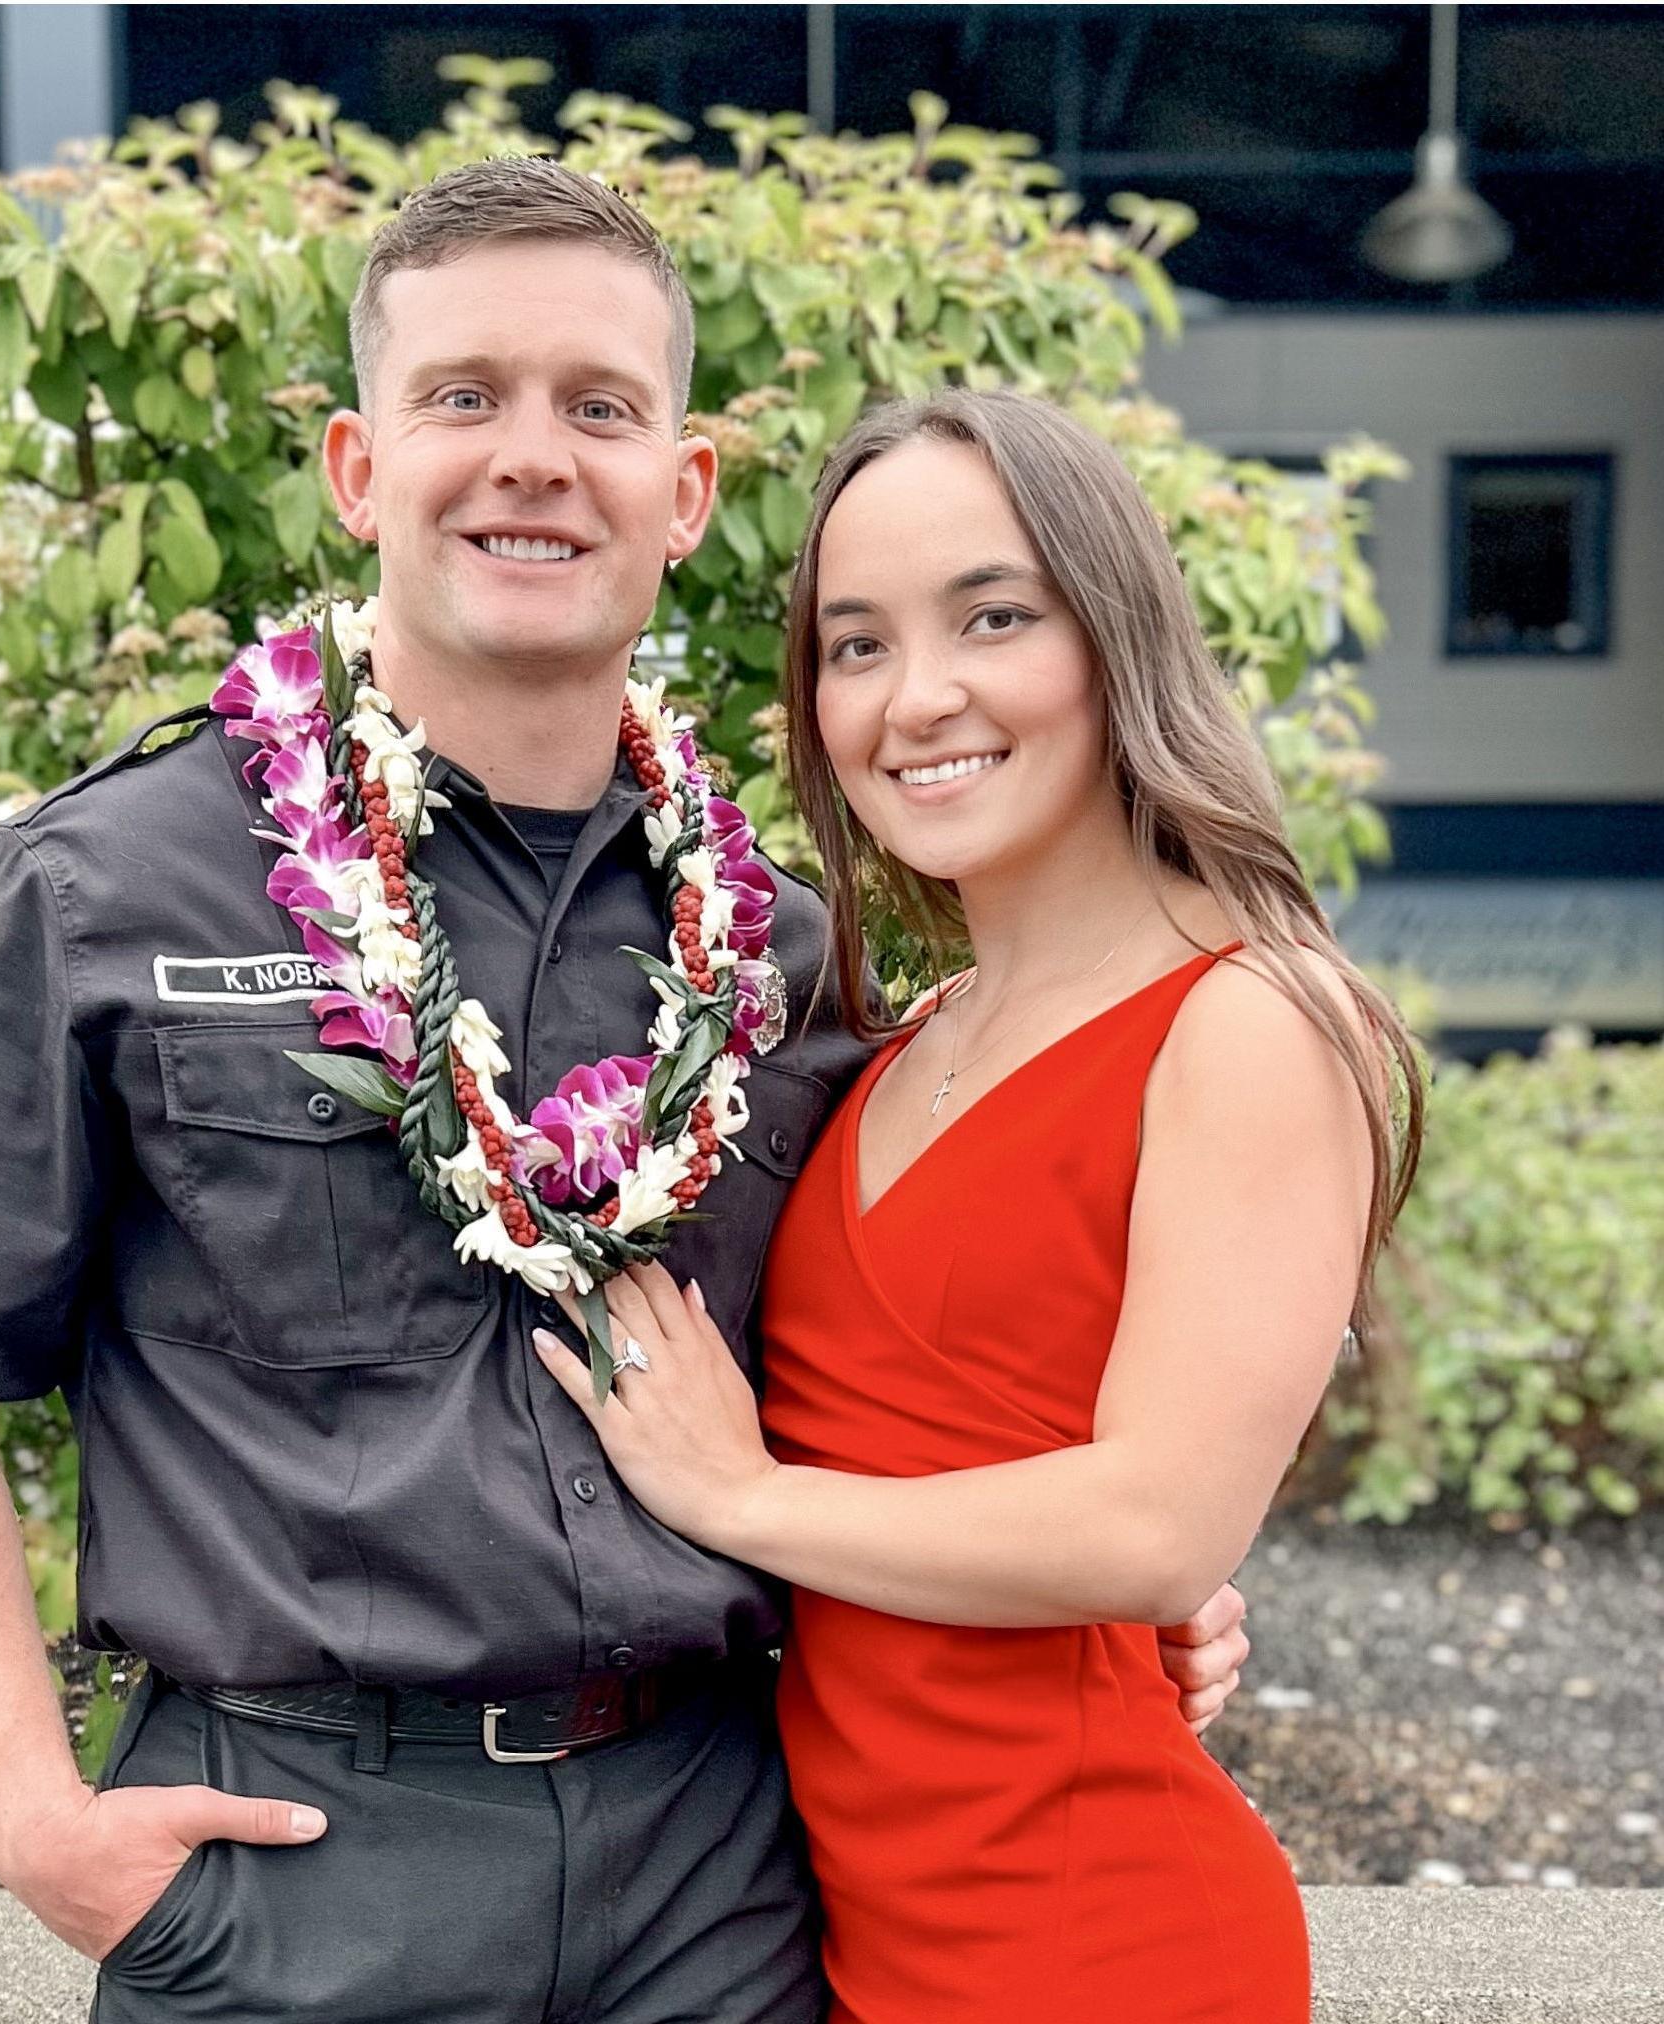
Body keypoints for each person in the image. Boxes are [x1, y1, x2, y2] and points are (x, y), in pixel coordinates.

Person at [0, 164, 1250, 2024]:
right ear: (355, 465)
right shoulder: (102, 893)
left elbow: (897, 1365)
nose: (533, 459)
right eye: (463, 396)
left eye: (601, 408)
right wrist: (28, 1813)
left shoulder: (791, 953)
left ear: (685, 492)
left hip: (734, 1870)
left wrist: (1127, 1583)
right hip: (300, 1867)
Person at [534, 387, 1425, 2022]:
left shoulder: (1250, 1020)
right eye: (855, 645)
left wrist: (742, 1499)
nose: (914, 697)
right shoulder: (899, 1043)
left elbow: (1161, 1528)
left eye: (993, 617)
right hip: (854, 1935)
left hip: (1100, 1943)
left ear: (1115, 639)